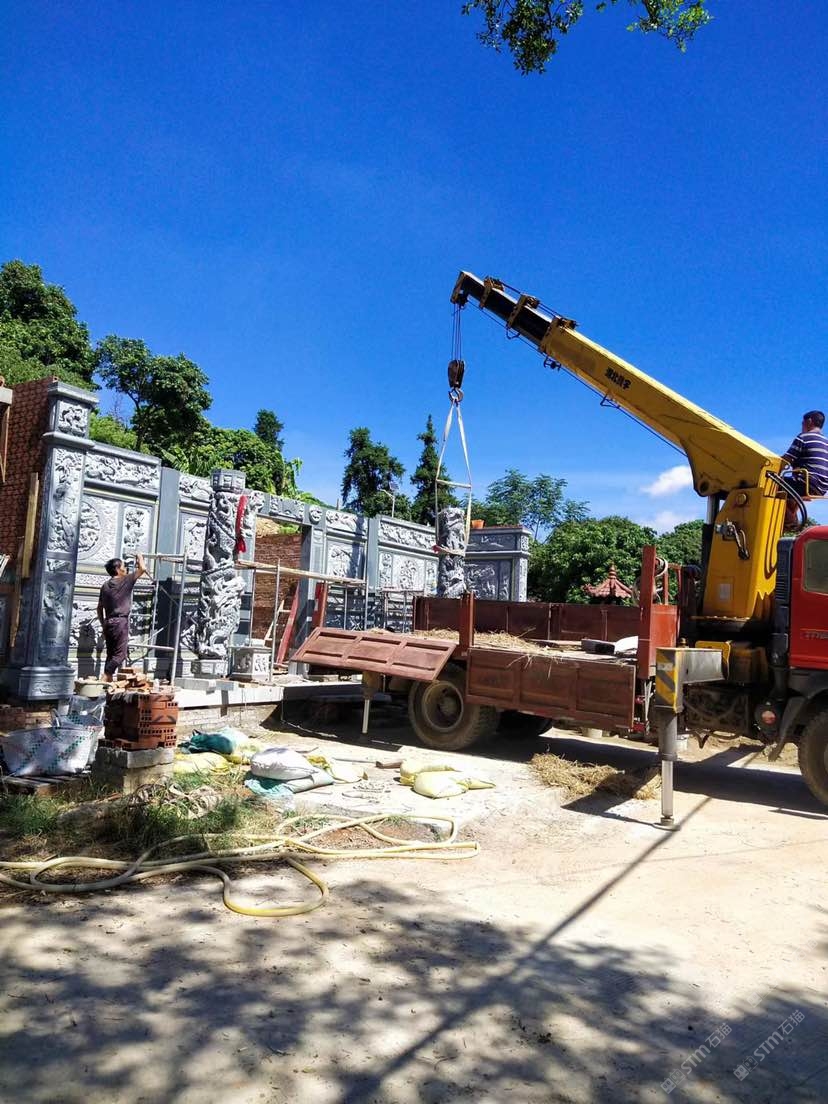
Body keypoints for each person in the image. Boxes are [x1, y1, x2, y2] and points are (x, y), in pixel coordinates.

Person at [97, 553, 146, 682]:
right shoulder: (125, 580)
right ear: (118, 569)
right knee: (120, 655)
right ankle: (106, 675)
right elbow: (142, 569)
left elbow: (99, 608)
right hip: (120, 622)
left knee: (110, 654)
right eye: (124, 566)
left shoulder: (105, 586)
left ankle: (106, 684)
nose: (126, 569)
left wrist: (103, 623)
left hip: (108, 622)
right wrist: (140, 556)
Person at [781, 411, 828, 527]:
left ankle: (790, 519)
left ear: (809, 421)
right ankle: (790, 517)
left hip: (807, 482)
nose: (801, 426)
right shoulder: (826, 442)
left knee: (771, 483)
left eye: (802, 423)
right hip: (822, 487)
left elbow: (786, 460)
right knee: (790, 487)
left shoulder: (803, 437)